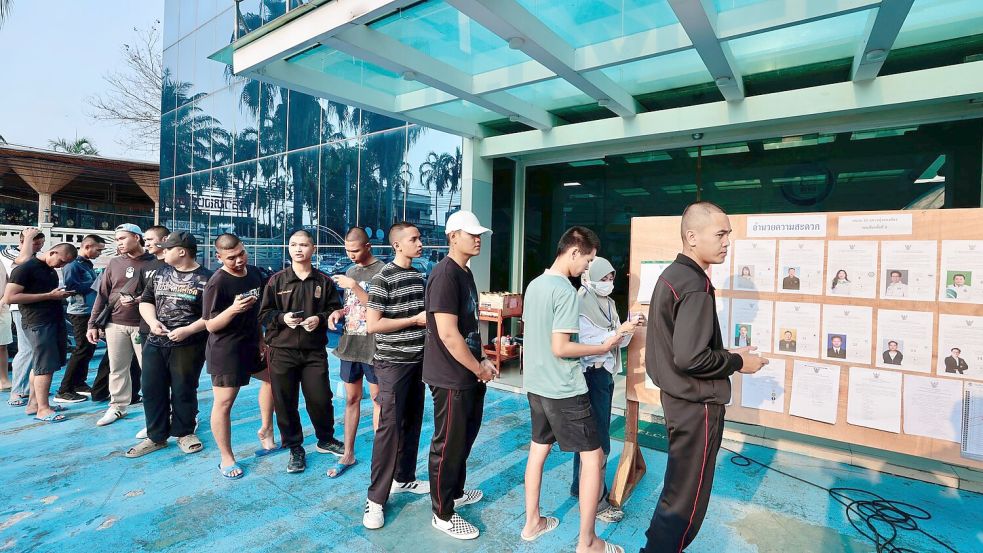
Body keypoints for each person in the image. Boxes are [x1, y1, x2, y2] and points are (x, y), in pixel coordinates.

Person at [642, 202, 766, 553]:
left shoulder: (671, 276)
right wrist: (738, 361)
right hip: (697, 406)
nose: (727, 242)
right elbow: (691, 357)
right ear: (692, 237)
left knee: (678, 489)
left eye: (729, 234)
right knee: (687, 500)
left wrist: (727, 355)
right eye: (721, 234)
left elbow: (677, 350)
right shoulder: (695, 285)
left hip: (677, 399)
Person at [520, 226, 624, 553]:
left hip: (536, 385)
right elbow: (561, 347)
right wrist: (603, 346)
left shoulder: (534, 285)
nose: (587, 267)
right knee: (593, 457)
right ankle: (588, 542)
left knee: (538, 451)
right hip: (563, 387)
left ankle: (532, 523)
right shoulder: (565, 290)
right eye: (588, 260)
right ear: (574, 252)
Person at [422, 211, 496, 540]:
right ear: (453, 236)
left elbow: (470, 327)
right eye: (471, 234)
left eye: (479, 234)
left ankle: (455, 492)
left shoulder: (465, 272)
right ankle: (442, 513)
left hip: (468, 374)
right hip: (450, 376)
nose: (478, 239)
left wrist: (483, 359)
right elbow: (449, 334)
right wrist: (477, 367)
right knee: (448, 445)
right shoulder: (444, 275)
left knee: (463, 439)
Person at [258, 230, 345, 474]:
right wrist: (283, 318)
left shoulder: (323, 281)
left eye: (304, 245)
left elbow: (335, 311)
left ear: (313, 249)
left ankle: (325, 439)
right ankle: (295, 447)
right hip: (281, 351)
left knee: (320, 398)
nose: (298, 249)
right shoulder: (276, 281)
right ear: (289, 248)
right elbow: (263, 314)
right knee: (285, 402)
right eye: (294, 244)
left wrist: (319, 319)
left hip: (313, 351)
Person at [363, 222, 430, 530]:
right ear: (397, 245)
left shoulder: (419, 276)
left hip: (418, 362)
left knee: (413, 422)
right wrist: (414, 320)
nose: (420, 243)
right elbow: (373, 324)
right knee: (389, 429)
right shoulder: (382, 278)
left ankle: (404, 478)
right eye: (413, 239)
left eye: (419, 238)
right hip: (392, 364)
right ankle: (375, 499)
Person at [126, 232, 211, 458]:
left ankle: (185, 432)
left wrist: (188, 330)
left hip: (188, 344)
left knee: (184, 388)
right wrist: (152, 322)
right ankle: (156, 437)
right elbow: (146, 301)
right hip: (155, 341)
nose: (162, 252)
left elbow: (212, 315)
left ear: (181, 251)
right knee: (151, 389)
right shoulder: (160, 272)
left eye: (167, 248)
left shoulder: (207, 279)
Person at [571, 256, 640, 524]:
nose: (609, 282)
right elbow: (590, 342)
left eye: (612, 278)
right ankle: (597, 502)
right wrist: (619, 331)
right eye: (604, 278)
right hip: (591, 374)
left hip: (604, 374)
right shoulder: (581, 301)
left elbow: (618, 343)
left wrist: (628, 329)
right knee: (597, 439)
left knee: (589, 437)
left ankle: (580, 487)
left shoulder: (608, 303)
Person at [200, 233, 272, 478]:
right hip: (227, 350)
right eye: (231, 257)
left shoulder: (254, 273)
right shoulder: (217, 283)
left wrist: (261, 338)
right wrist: (232, 309)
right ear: (219, 257)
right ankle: (226, 458)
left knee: (274, 379)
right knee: (224, 403)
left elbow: (257, 313)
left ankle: (266, 430)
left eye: (241, 253)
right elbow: (210, 325)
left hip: (252, 343)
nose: (239, 260)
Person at [325, 227, 384, 479]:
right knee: (351, 399)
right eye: (348, 251)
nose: (351, 255)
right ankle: (348, 453)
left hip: (373, 346)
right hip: (350, 345)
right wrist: (338, 312)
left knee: (379, 401)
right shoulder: (350, 271)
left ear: (368, 247)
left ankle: (381, 460)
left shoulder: (383, 271)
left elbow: (378, 306)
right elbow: (352, 306)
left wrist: (354, 286)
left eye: (355, 250)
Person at [88, 223, 156, 426]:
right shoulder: (114, 262)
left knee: (150, 370)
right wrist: (93, 324)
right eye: (117, 239)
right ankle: (118, 406)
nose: (119, 243)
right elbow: (102, 295)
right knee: (117, 369)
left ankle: (157, 411)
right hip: (115, 324)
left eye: (122, 238)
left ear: (137, 237)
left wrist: (139, 301)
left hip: (145, 325)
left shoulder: (156, 262)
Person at [3, 243, 78, 422]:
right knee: (45, 366)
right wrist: (49, 296)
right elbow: (10, 297)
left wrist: (57, 295)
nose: (61, 266)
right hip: (38, 322)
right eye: (61, 261)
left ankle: (34, 404)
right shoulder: (26, 269)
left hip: (51, 319)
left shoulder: (49, 269)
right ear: (52, 252)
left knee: (41, 365)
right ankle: (43, 409)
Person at [56, 234, 107, 403]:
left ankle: (79, 382)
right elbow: (71, 287)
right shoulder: (72, 265)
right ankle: (64, 389)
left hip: (90, 311)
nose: (99, 253)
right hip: (80, 312)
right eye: (98, 250)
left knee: (89, 348)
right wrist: (97, 283)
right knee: (81, 349)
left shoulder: (86, 264)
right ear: (87, 247)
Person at [5, 227, 45, 407]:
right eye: (35, 243)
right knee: (26, 349)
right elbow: (23, 261)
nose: (38, 247)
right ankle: (17, 391)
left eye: (41, 244)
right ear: (23, 241)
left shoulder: (38, 256)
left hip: (37, 306)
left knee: (36, 349)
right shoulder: (9, 252)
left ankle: (30, 390)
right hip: (19, 306)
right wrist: (28, 238)